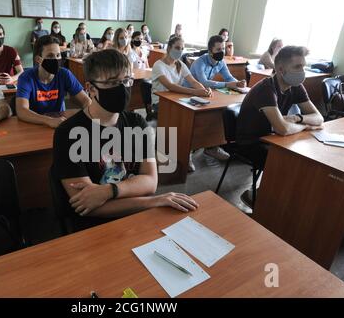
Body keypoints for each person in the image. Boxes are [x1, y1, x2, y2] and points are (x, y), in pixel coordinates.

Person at [53, 49, 198, 231]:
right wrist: (150, 202)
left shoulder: (137, 123)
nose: (122, 88)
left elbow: (150, 182)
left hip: (137, 218)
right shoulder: (69, 132)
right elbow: (87, 206)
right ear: (90, 89)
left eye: (126, 81)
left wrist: (109, 190)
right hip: (93, 229)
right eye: (112, 82)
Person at [236, 46, 324, 207]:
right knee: (293, 162)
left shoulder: (295, 86)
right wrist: (304, 126)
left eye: (303, 66)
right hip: (250, 142)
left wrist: (297, 118)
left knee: (306, 159)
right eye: (297, 67)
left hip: (271, 138)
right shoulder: (266, 89)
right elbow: (282, 129)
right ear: (281, 69)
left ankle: (276, 199)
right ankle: (258, 197)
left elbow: (318, 118)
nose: (302, 71)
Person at [152, 36, 212, 169]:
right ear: (169, 48)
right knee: (185, 120)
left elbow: (193, 81)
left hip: (177, 101)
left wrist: (204, 90)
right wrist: (196, 93)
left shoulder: (181, 64)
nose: (179, 51)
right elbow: (171, 86)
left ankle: (186, 153)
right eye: (177, 48)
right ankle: (180, 154)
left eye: (182, 49)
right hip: (160, 103)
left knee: (192, 119)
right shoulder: (158, 65)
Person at [184, 35, 246, 163]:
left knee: (217, 115)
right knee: (195, 122)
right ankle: (188, 151)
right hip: (189, 94)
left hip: (207, 94)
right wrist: (228, 84)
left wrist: (238, 83)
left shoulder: (221, 62)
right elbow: (204, 82)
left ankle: (211, 146)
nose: (221, 52)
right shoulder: (199, 62)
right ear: (210, 50)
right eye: (218, 49)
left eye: (222, 48)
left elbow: (229, 78)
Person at [16, 36, 91, 128]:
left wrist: (88, 116)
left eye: (58, 55)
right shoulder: (26, 77)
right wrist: (48, 120)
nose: (56, 59)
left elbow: (86, 101)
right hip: (33, 124)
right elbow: (21, 110)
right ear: (38, 59)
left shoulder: (65, 74)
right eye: (50, 56)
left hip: (59, 123)